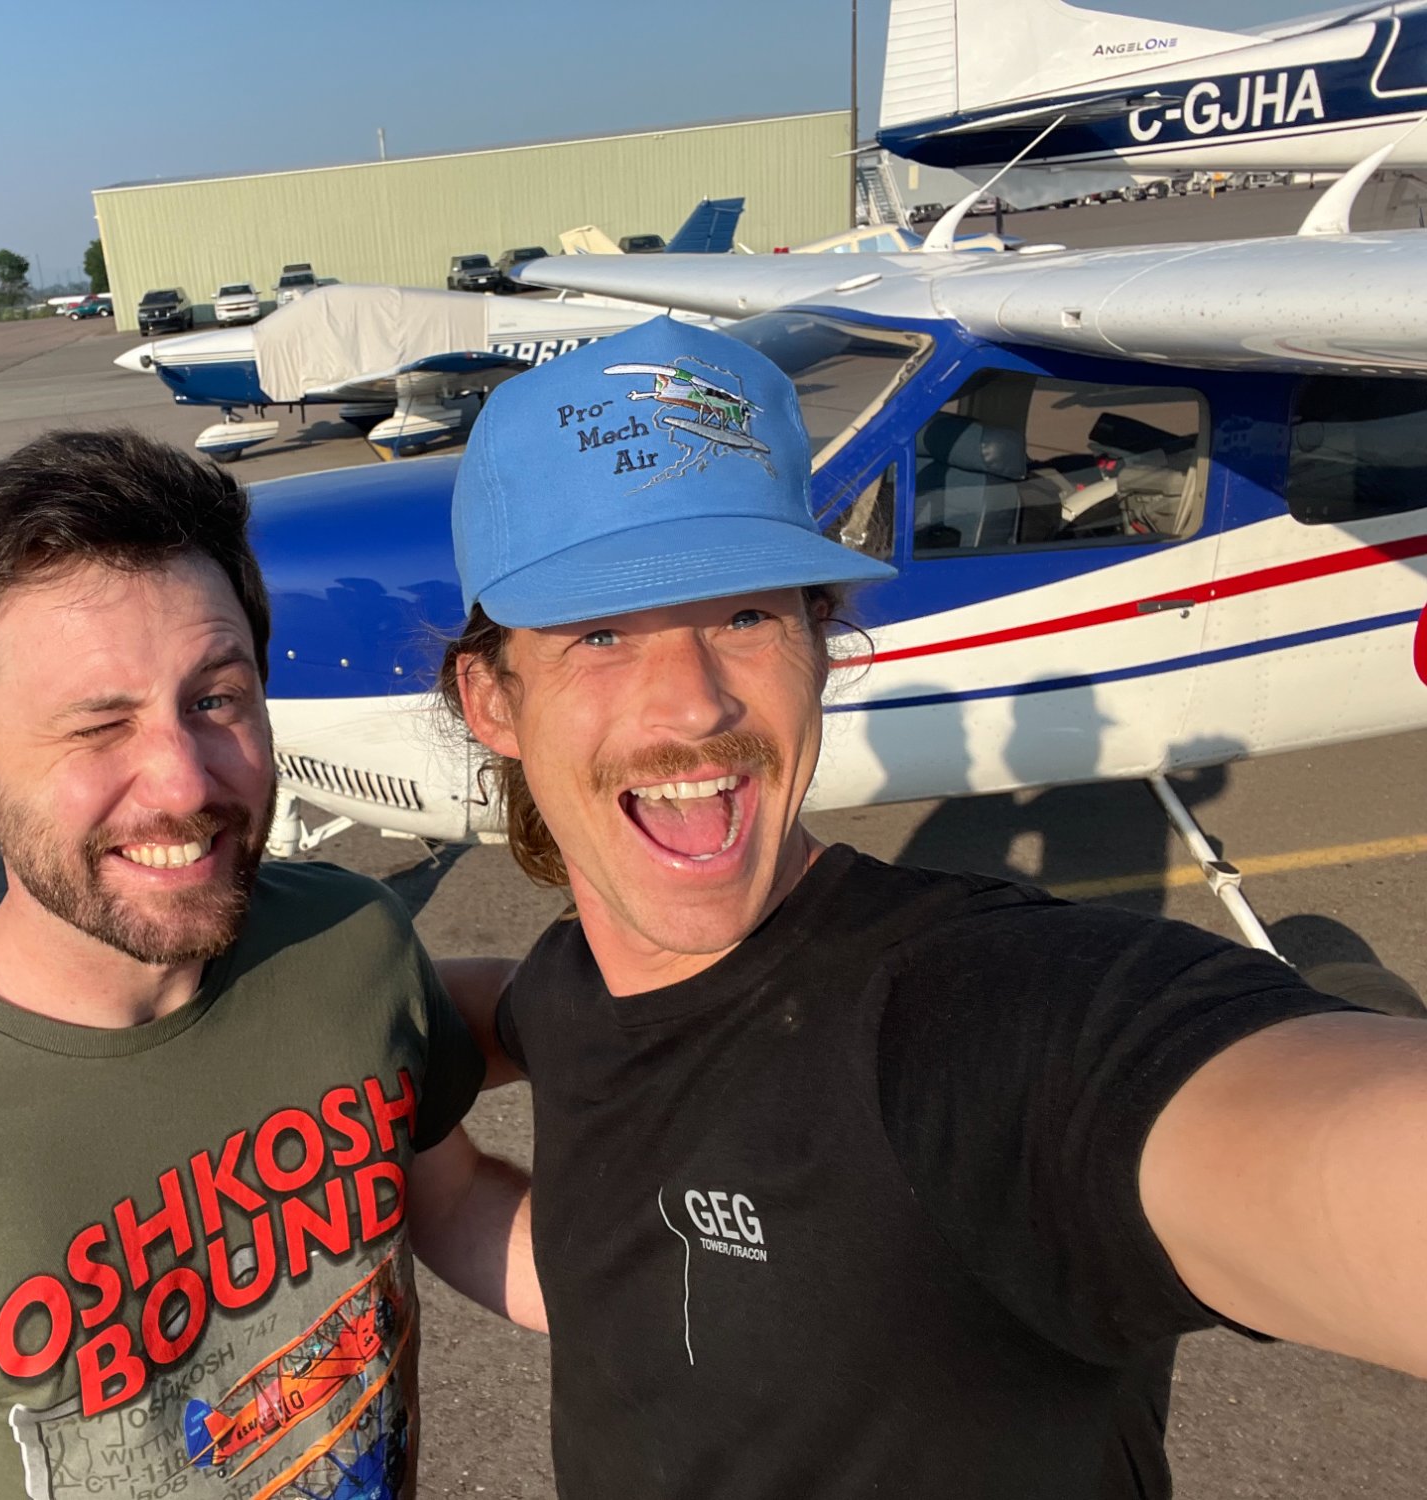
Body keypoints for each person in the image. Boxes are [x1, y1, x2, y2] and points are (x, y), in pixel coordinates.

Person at [435, 318, 1427, 1499]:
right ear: (491, 702)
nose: (692, 705)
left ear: (819, 643)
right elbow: (599, 1269)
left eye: (746, 616)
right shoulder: (572, 991)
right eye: (599, 634)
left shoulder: (973, 1016)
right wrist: (339, 1035)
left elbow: (1293, 1146)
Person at [0, 429, 533, 1500]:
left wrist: (696, 1291)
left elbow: (453, 1199)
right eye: (96, 726)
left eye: (215, 699)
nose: (183, 783)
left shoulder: (351, 945)